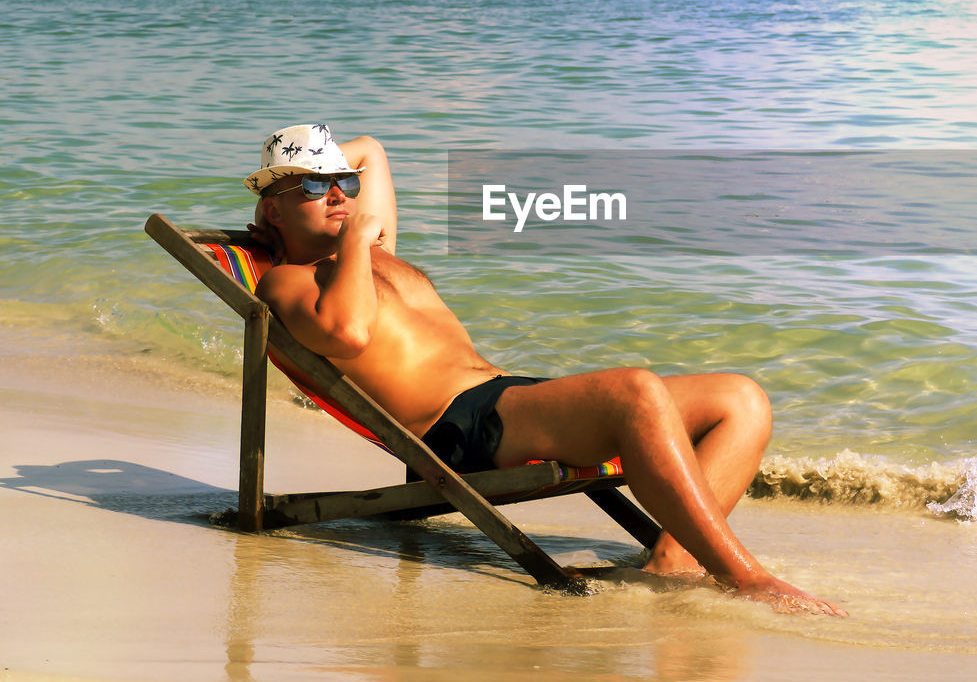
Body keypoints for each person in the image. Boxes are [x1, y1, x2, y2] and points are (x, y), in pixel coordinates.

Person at [245, 123, 845, 616]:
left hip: (504, 397)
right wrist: (351, 238)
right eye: (313, 188)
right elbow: (347, 335)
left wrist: (321, 175)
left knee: (741, 398)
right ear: (272, 211)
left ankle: (673, 563)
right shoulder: (289, 282)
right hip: (457, 431)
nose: (339, 194)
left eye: (342, 183)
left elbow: (371, 150)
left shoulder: (375, 254)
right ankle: (745, 577)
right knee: (634, 391)